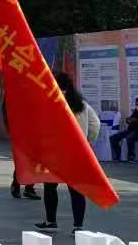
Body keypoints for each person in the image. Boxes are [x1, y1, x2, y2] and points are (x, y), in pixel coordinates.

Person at [35, 70, 100, 236]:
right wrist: (87, 141)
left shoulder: (50, 102)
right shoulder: (81, 105)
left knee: (50, 187)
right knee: (76, 189)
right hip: (77, 152)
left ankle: (51, 222)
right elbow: (95, 124)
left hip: (55, 153)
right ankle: (78, 225)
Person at [110, 97, 138, 162]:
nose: (137, 106)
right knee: (113, 138)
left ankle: (131, 156)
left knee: (129, 138)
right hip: (130, 130)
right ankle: (118, 155)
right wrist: (128, 120)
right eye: (136, 104)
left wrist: (136, 120)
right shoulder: (136, 111)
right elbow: (131, 118)